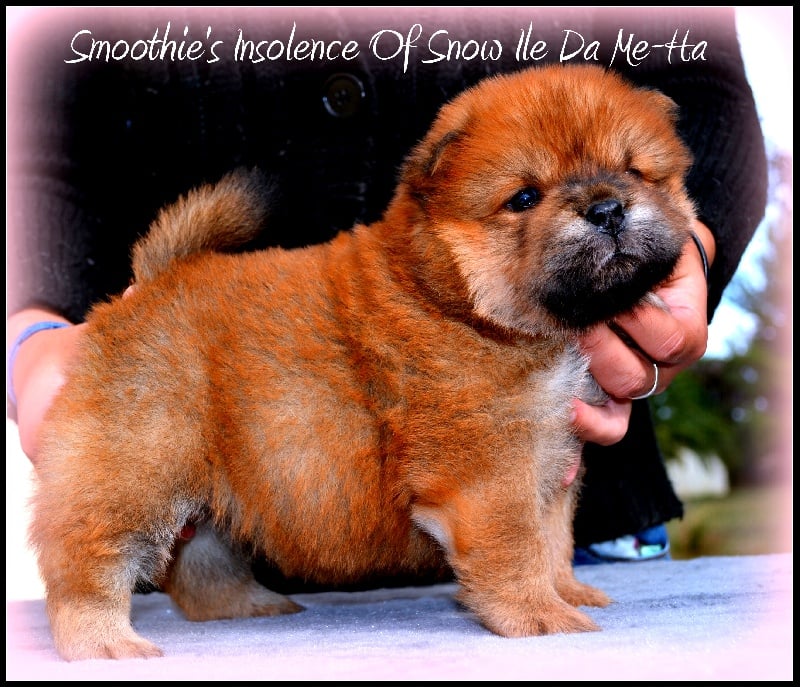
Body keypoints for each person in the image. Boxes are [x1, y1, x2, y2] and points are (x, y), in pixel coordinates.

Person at [7, 7, 767, 570]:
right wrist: (32, 337)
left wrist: (690, 252)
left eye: (631, 172)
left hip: (590, 531)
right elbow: (38, 149)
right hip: (205, 528)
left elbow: (695, 73)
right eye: (525, 198)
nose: (600, 205)